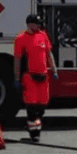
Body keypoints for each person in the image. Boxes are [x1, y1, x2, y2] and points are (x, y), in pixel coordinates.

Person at [13, 13, 59, 142]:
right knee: (32, 107)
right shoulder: (21, 38)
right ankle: (34, 134)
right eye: (36, 24)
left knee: (42, 106)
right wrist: (16, 77)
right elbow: (17, 59)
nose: (38, 26)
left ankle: (34, 127)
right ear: (29, 24)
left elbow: (49, 54)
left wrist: (54, 69)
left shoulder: (43, 35)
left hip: (43, 76)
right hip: (30, 77)